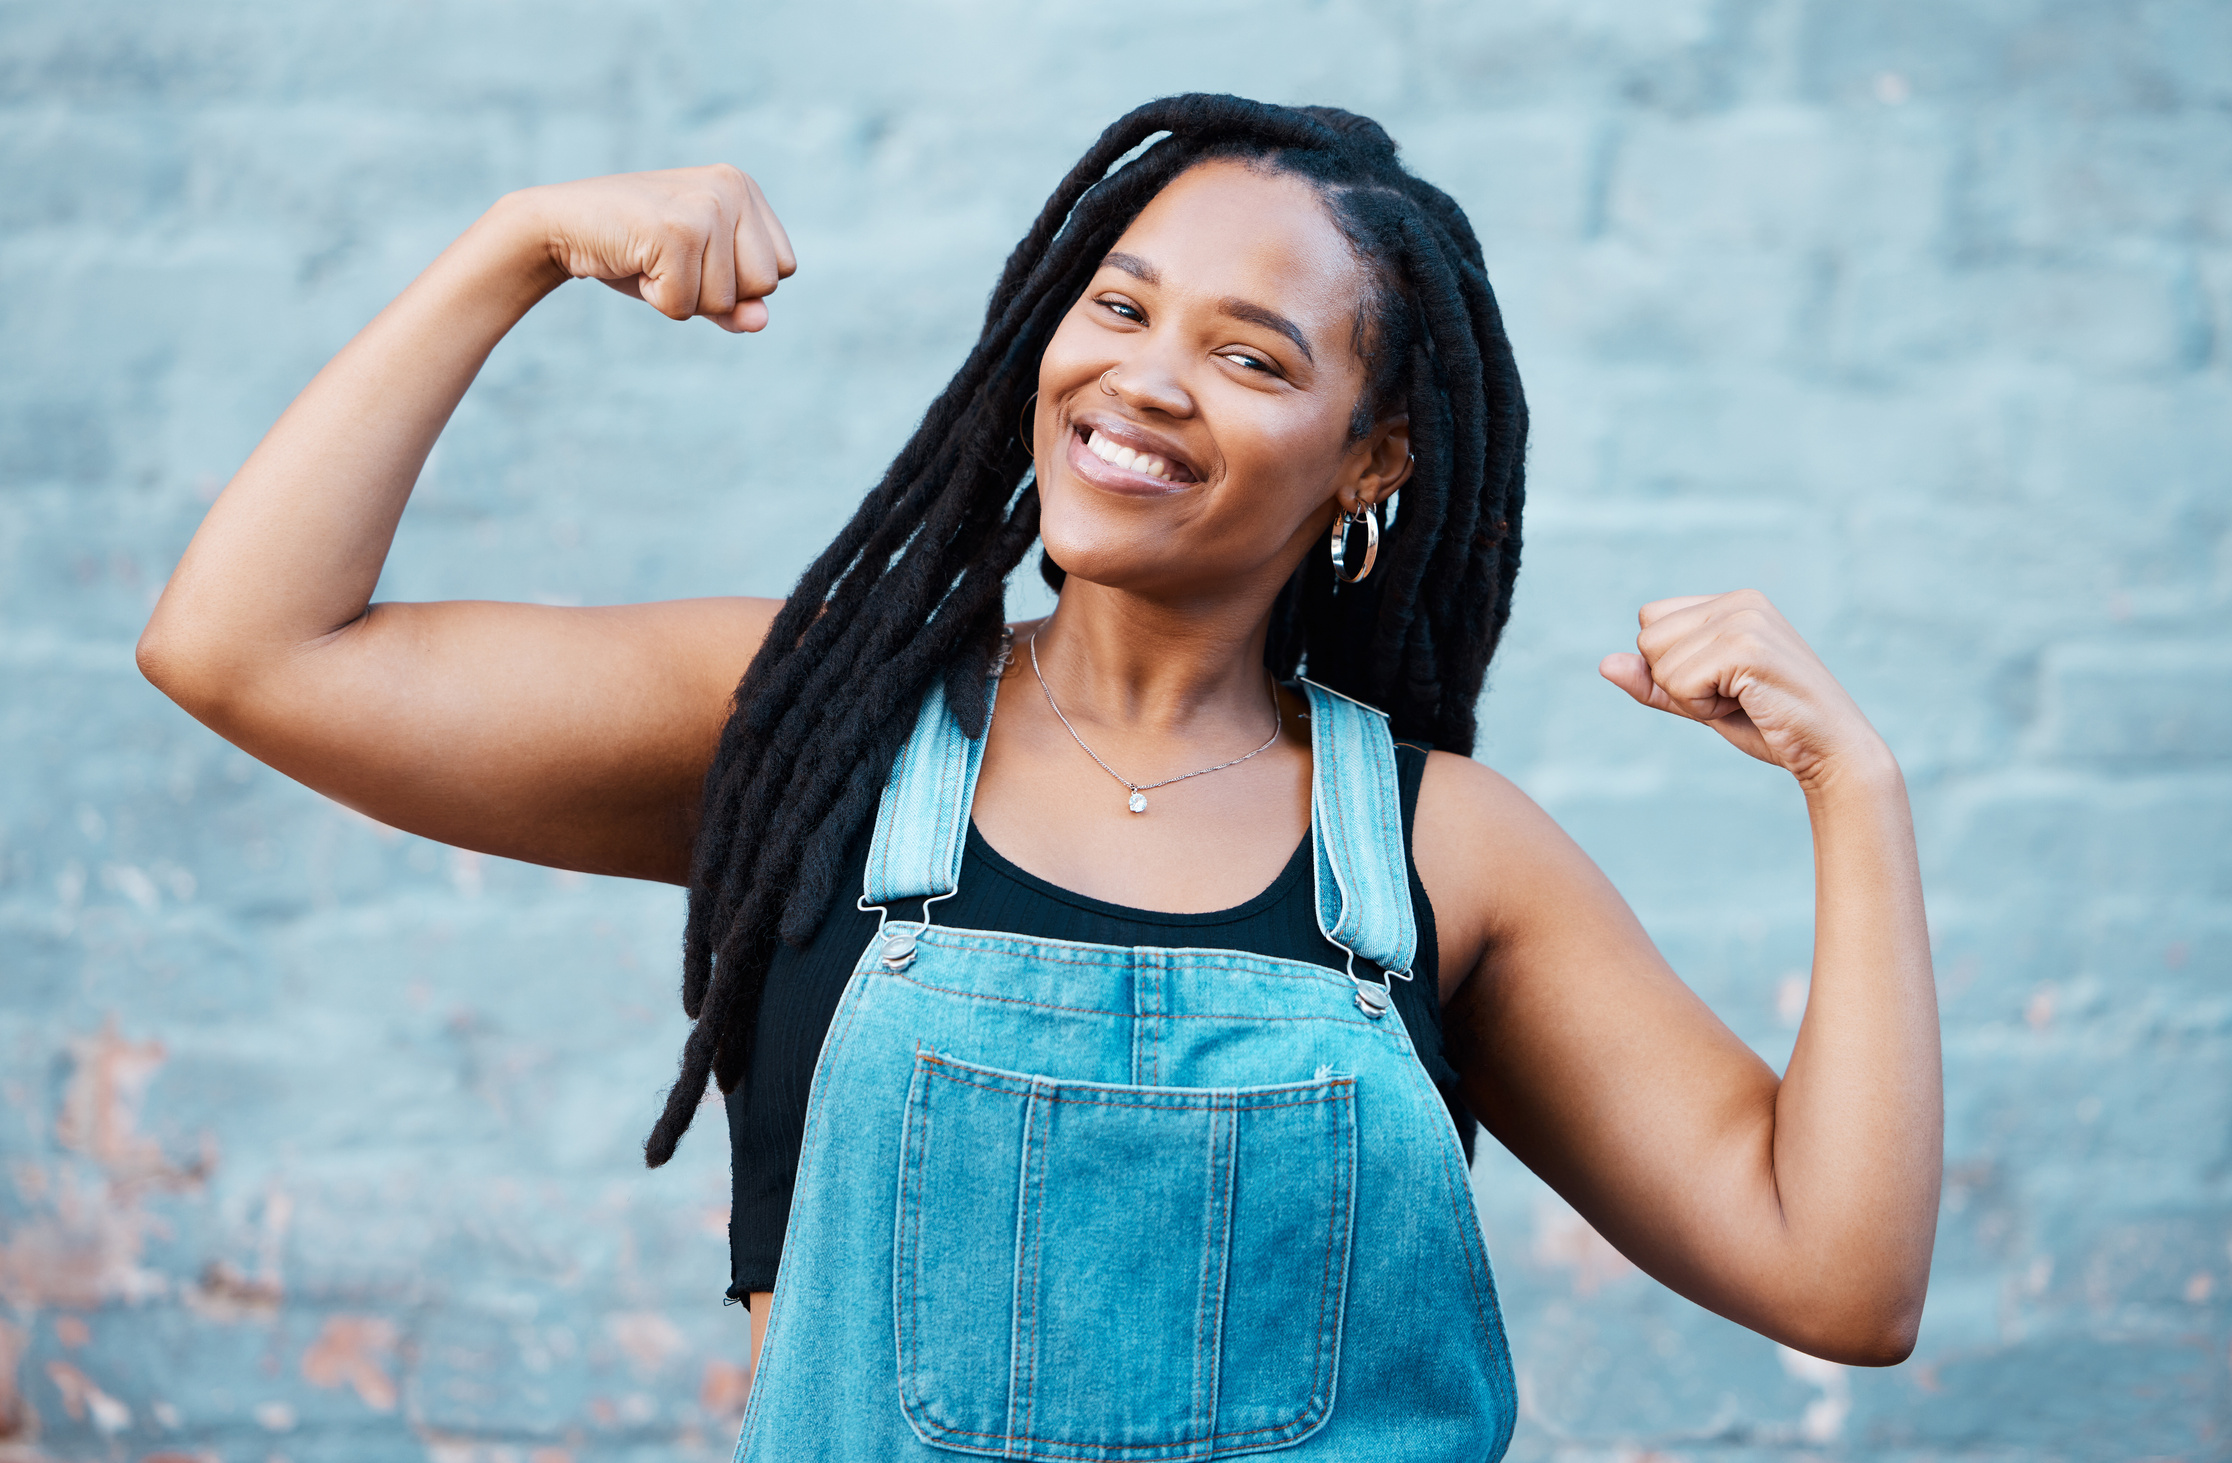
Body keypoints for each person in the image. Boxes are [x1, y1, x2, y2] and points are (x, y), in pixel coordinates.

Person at [137, 95, 1940, 1460]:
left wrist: (1853, 789)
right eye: (1119, 307)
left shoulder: (1443, 854)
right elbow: (245, 649)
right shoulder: (814, 728)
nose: (1144, 380)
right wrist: (515, 244)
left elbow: (1838, 1280)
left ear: (1371, 459)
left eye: (1249, 355)